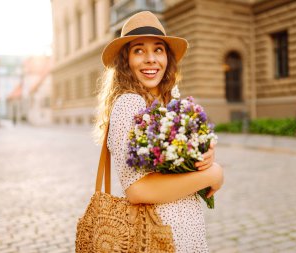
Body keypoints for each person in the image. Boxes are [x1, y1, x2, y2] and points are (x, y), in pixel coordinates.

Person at [94, 11, 224, 253]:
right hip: (155, 237)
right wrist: (211, 175)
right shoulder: (130, 104)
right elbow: (137, 189)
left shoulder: (163, 104)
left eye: (158, 49)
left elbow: (169, 169)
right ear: (126, 61)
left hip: (181, 235)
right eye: (139, 50)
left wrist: (201, 157)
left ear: (167, 58)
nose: (150, 59)